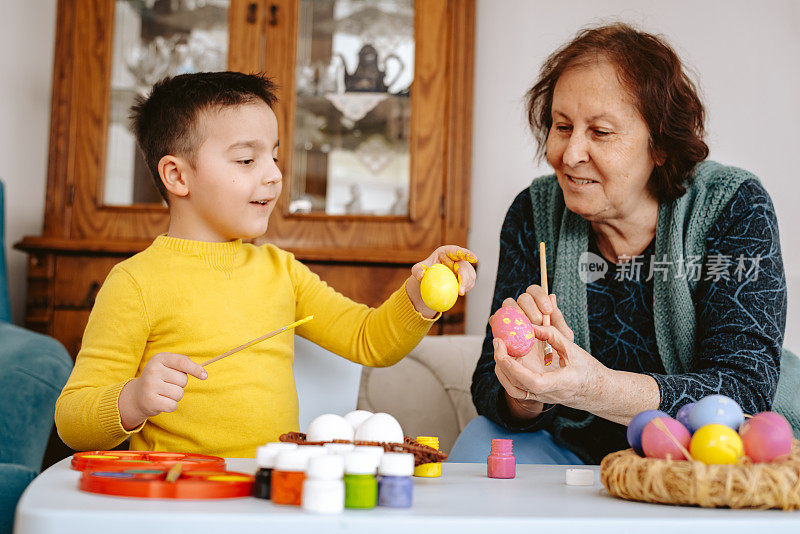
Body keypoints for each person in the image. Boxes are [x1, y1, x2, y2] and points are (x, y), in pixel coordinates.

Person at [55, 72, 477, 458]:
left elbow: (370, 340)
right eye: (246, 160)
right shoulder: (135, 283)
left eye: (274, 157)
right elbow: (73, 420)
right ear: (177, 176)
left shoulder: (282, 271)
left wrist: (420, 297)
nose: (274, 175)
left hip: (274, 492)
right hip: (184, 498)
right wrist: (132, 400)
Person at [449, 23, 798, 465]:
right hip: (572, 451)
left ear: (661, 146)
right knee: (483, 443)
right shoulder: (533, 212)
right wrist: (527, 390)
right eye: (562, 126)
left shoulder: (733, 206)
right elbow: (489, 387)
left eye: (600, 132)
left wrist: (591, 387)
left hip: (705, 449)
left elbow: (743, 389)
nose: (570, 153)